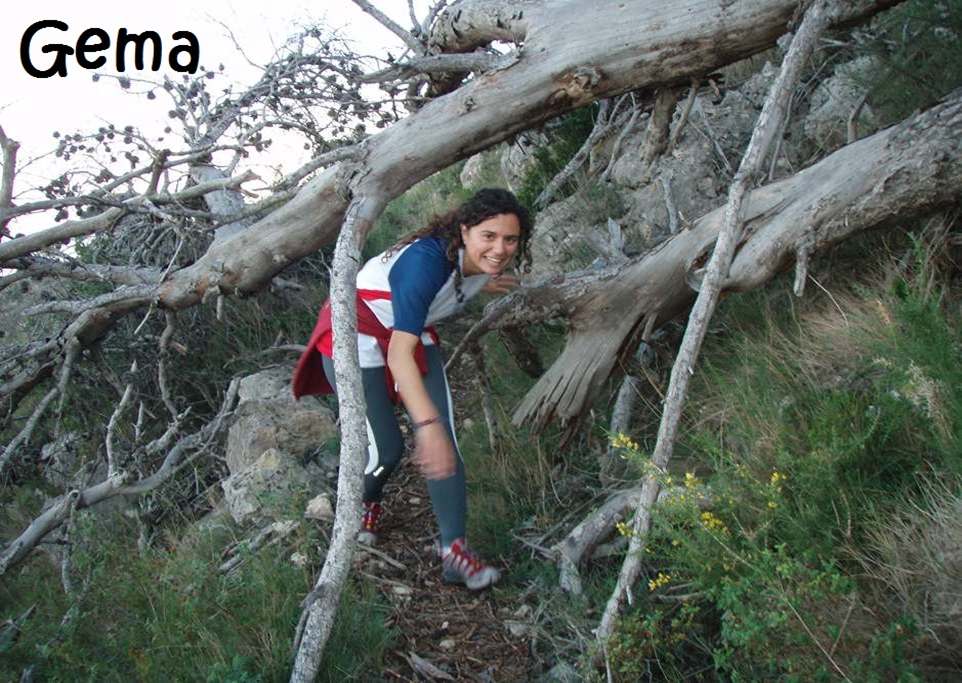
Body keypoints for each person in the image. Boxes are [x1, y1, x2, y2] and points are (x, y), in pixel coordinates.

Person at [292, 188, 533, 590]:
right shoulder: (425, 262)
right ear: (464, 231)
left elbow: (449, 291)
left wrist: (484, 280)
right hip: (356, 334)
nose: (500, 249)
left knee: (447, 443)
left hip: (409, 332)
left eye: (510, 239)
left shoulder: (478, 263)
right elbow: (399, 355)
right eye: (489, 236)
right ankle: (364, 501)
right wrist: (426, 425)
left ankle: (455, 552)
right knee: (387, 450)